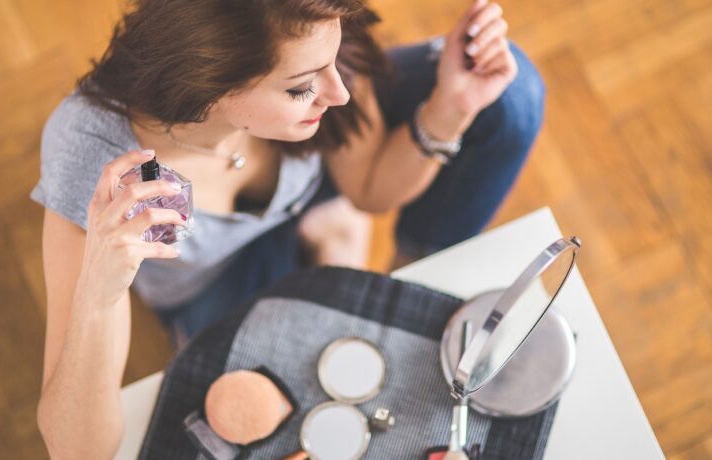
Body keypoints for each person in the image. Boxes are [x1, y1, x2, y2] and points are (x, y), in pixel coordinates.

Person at [32, 0, 545, 456]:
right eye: (302, 87)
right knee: (269, 403)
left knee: (511, 92)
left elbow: (369, 190)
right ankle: (333, 246)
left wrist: (450, 111)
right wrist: (97, 294)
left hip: (313, 196)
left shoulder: (309, 30)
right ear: (210, 86)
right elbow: (77, 449)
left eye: (331, 66)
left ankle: (404, 267)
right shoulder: (108, 164)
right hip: (217, 279)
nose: (340, 94)